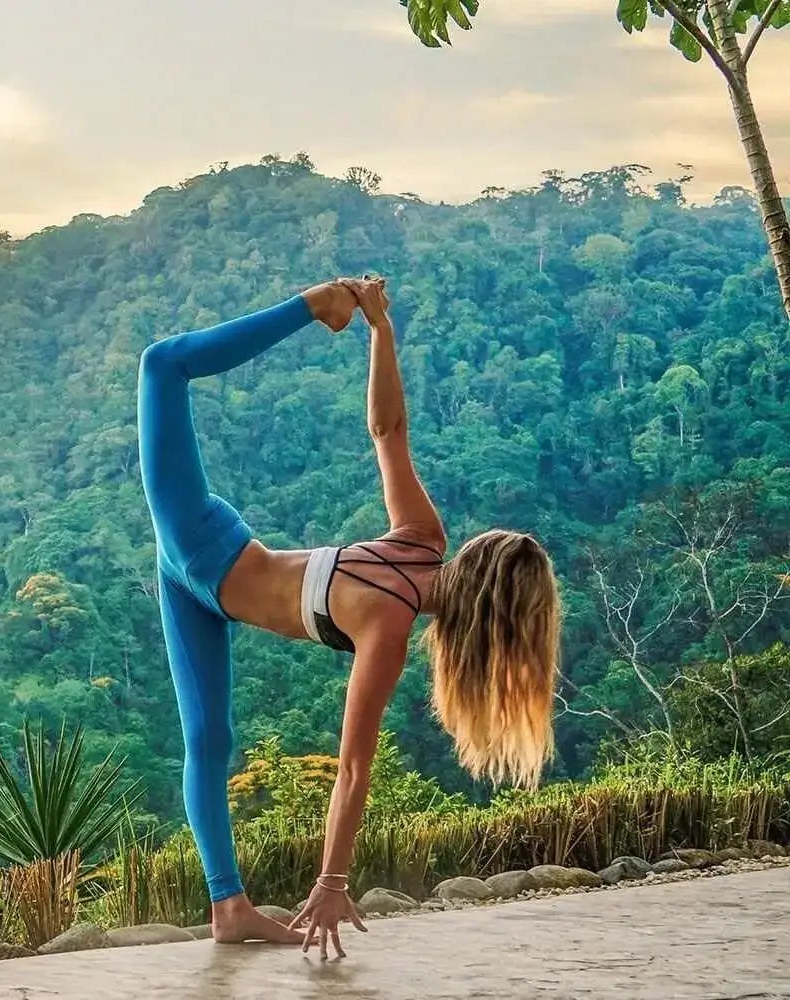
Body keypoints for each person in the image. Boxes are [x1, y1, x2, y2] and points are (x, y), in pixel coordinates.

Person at [135, 276, 561, 959]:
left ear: (483, 581)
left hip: (199, 586)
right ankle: (315, 301)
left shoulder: (399, 605)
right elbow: (388, 429)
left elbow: (352, 769)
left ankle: (229, 908)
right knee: (162, 362)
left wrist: (334, 882)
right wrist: (379, 333)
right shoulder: (414, 557)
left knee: (210, 741)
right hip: (205, 547)